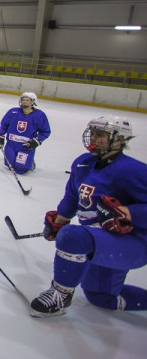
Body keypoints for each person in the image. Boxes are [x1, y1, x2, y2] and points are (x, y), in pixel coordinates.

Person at [30, 116, 147, 317]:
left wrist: (129, 213)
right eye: (93, 133)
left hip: (132, 242)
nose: (93, 137)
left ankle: (61, 295)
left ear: (119, 139)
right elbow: (72, 196)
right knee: (100, 297)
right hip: (100, 240)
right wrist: (60, 221)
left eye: (101, 134)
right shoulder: (83, 164)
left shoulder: (132, 170)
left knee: (73, 237)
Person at [0, 92, 51, 174]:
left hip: (26, 146)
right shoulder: (13, 112)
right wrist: (0, 135)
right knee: (9, 165)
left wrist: (37, 140)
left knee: (20, 169)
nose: (24, 102)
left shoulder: (39, 115)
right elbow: (4, 124)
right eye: (23, 100)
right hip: (11, 144)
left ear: (33, 102)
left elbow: (45, 131)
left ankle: (30, 162)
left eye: (27, 100)